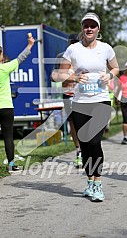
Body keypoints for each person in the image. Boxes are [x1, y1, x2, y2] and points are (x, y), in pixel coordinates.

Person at [52, 12, 119, 202]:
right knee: (85, 145)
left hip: (100, 100)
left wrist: (110, 75)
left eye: (93, 25)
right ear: (82, 28)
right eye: (86, 25)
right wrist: (73, 77)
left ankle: (98, 184)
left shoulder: (106, 48)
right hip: (80, 103)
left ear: (98, 29)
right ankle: (90, 182)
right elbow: (57, 75)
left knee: (95, 141)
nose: (89, 29)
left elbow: (115, 68)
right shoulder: (73, 50)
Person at [0, 35, 35, 173]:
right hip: (6, 107)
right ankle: (11, 165)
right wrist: (30, 45)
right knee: (8, 137)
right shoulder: (4, 68)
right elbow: (21, 58)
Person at [51, 34, 82, 168]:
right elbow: (53, 76)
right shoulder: (61, 57)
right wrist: (70, 79)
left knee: (84, 123)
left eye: (77, 42)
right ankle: (79, 151)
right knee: (74, 124)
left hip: (84, 95)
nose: (74, 44)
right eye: (72, 42)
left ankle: (86, 149)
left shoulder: (85, 56)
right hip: (68, 95)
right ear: (68, 43)